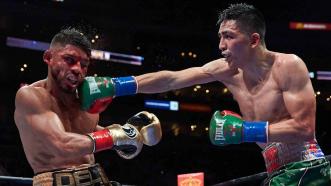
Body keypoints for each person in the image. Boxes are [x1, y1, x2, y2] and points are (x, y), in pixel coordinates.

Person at [132, 3, 331, 185]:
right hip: (277, 172)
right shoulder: (226, 70)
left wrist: (244, 130)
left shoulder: (288, 66)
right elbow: (171, 79)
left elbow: (304, 129)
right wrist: (120, 85)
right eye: (220, 37)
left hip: (307, 169)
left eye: (229, 36)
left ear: (254, 40)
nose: (221, 45)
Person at [14, 28, 162, 186]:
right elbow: (61, 143)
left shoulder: (86, 98)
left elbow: (168, 80)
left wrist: (131, 134)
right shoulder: (31, 96)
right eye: (69, 60)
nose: (77, 69)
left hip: (98, 179)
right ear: (49, 57)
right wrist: (114, 136)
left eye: (84, 65)